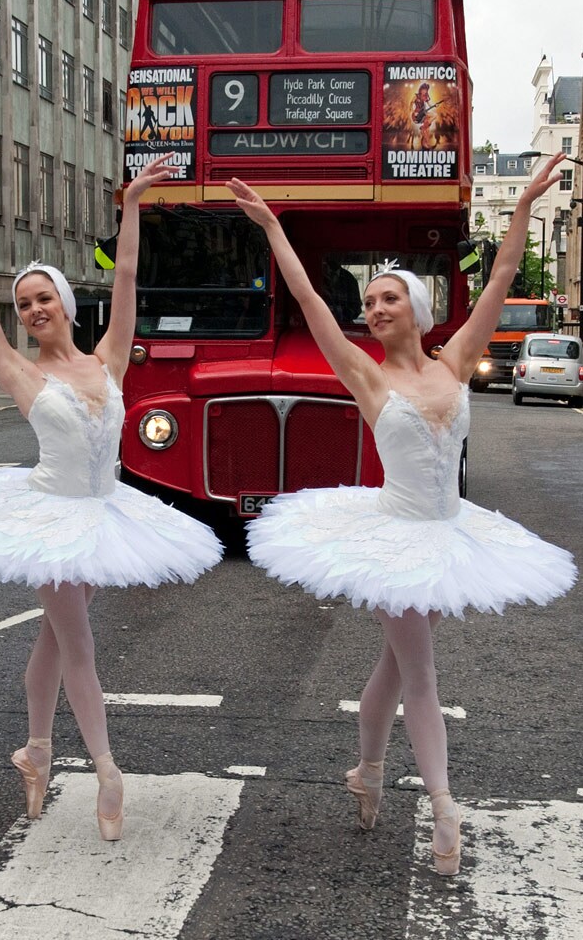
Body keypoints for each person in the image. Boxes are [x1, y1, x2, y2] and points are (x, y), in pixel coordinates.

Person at [225, 154, 576, 876]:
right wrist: (271, 226)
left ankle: (369, 768)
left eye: (388, 299)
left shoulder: (454, 363)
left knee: (396, 664)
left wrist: (520, 213)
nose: (374, 309)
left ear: (418, 308)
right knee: (420, 673)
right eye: (370, 302)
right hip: (393, 536)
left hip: (452, 536)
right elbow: (311, 303)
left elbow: (504, 277)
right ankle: (445, 808)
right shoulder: (366, 375)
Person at [0, 154, 223, 841]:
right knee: (77, 642)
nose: (33, 309)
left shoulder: (107, 356)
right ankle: (106, 767)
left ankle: (36, 751)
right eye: (24, 303)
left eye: (44, 298)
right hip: (48, 518)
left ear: (67, 306)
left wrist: (131, 203)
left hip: (106, 514)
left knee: (53, 636)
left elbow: (127, 276)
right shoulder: (19, 373)